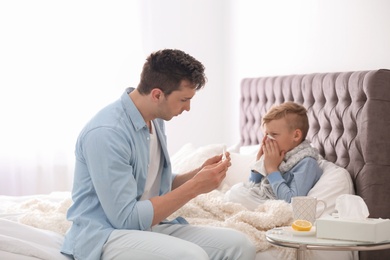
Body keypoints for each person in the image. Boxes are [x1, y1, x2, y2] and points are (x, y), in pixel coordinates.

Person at [61, 49, 256, 260]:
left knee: (241, 245)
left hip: (146, 227)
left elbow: (153, 184)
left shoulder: (155, 118)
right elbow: (125, 219)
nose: (188, 108)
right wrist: (195, 187)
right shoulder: (108, 133)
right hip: (106, 234)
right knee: (191, 256)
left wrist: (198, 174)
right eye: (183, 99)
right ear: (157, 94)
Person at [225, 102, 323, 211]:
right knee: (236, 190)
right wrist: (260, 162)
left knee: (236, 194)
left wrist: (272, 170)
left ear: (296, 135)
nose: (267, 140)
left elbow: (291, 201)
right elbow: (253, 185)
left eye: (274, 135)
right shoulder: (278, 154)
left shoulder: (307, 162)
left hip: (279, 205)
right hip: (262, 198)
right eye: (266, 134)